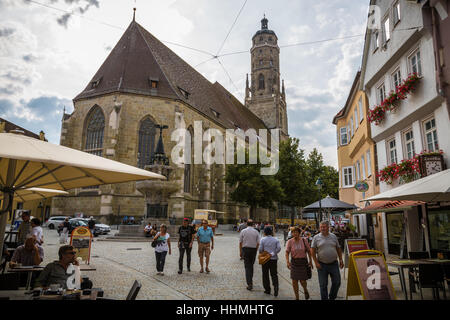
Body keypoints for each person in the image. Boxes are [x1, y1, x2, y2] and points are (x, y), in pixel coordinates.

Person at [311, 221, 344, 300]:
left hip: (333, 264)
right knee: (323, 285)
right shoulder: (316, 238)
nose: (323, 228)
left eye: (324, 227)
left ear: (328, 227)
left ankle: (332, 297)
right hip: (321, 264)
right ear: (319, 228)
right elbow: (312, 251)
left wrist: (341, 259)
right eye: (321, 227)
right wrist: (315, 262)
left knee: (337, 282)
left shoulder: (333, 236)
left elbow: (338, 248)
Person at [286, 227, 312, 300]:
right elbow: (287, 252)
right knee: (294, 281)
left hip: (303, 262)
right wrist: (288, 262)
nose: (295, 233)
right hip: (294, 262)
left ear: (299, 233)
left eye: (296, 232)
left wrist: (310, 261)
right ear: (291, 233)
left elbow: (309, 251)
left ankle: (305, 290)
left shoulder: (304, 240)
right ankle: (297, 297)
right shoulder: (290, 241)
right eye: (293, 232)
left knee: (302, 281)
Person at [239, 219, 260, 290]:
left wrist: (240, 251)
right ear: (253, 224)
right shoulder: (256, 231)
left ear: (247, 224)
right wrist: (256, 250)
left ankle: (249, 283)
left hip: (245, 249)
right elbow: (258, 243)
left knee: (247, 267)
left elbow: (240, 242)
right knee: (251, 265)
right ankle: (250, 280)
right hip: (253, 250)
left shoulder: (243, 231)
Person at [259, 226, 281, 296]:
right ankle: (276, 287)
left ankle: (267, 289)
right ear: (271, 232)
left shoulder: (262, 239)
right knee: (274, 274)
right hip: (273, 259)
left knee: (265, 274)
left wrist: (265, 253)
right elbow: (279, 248)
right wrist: (272, 254)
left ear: (264, 232)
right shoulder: (276, 239)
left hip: (265, 259)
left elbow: (260, 250)